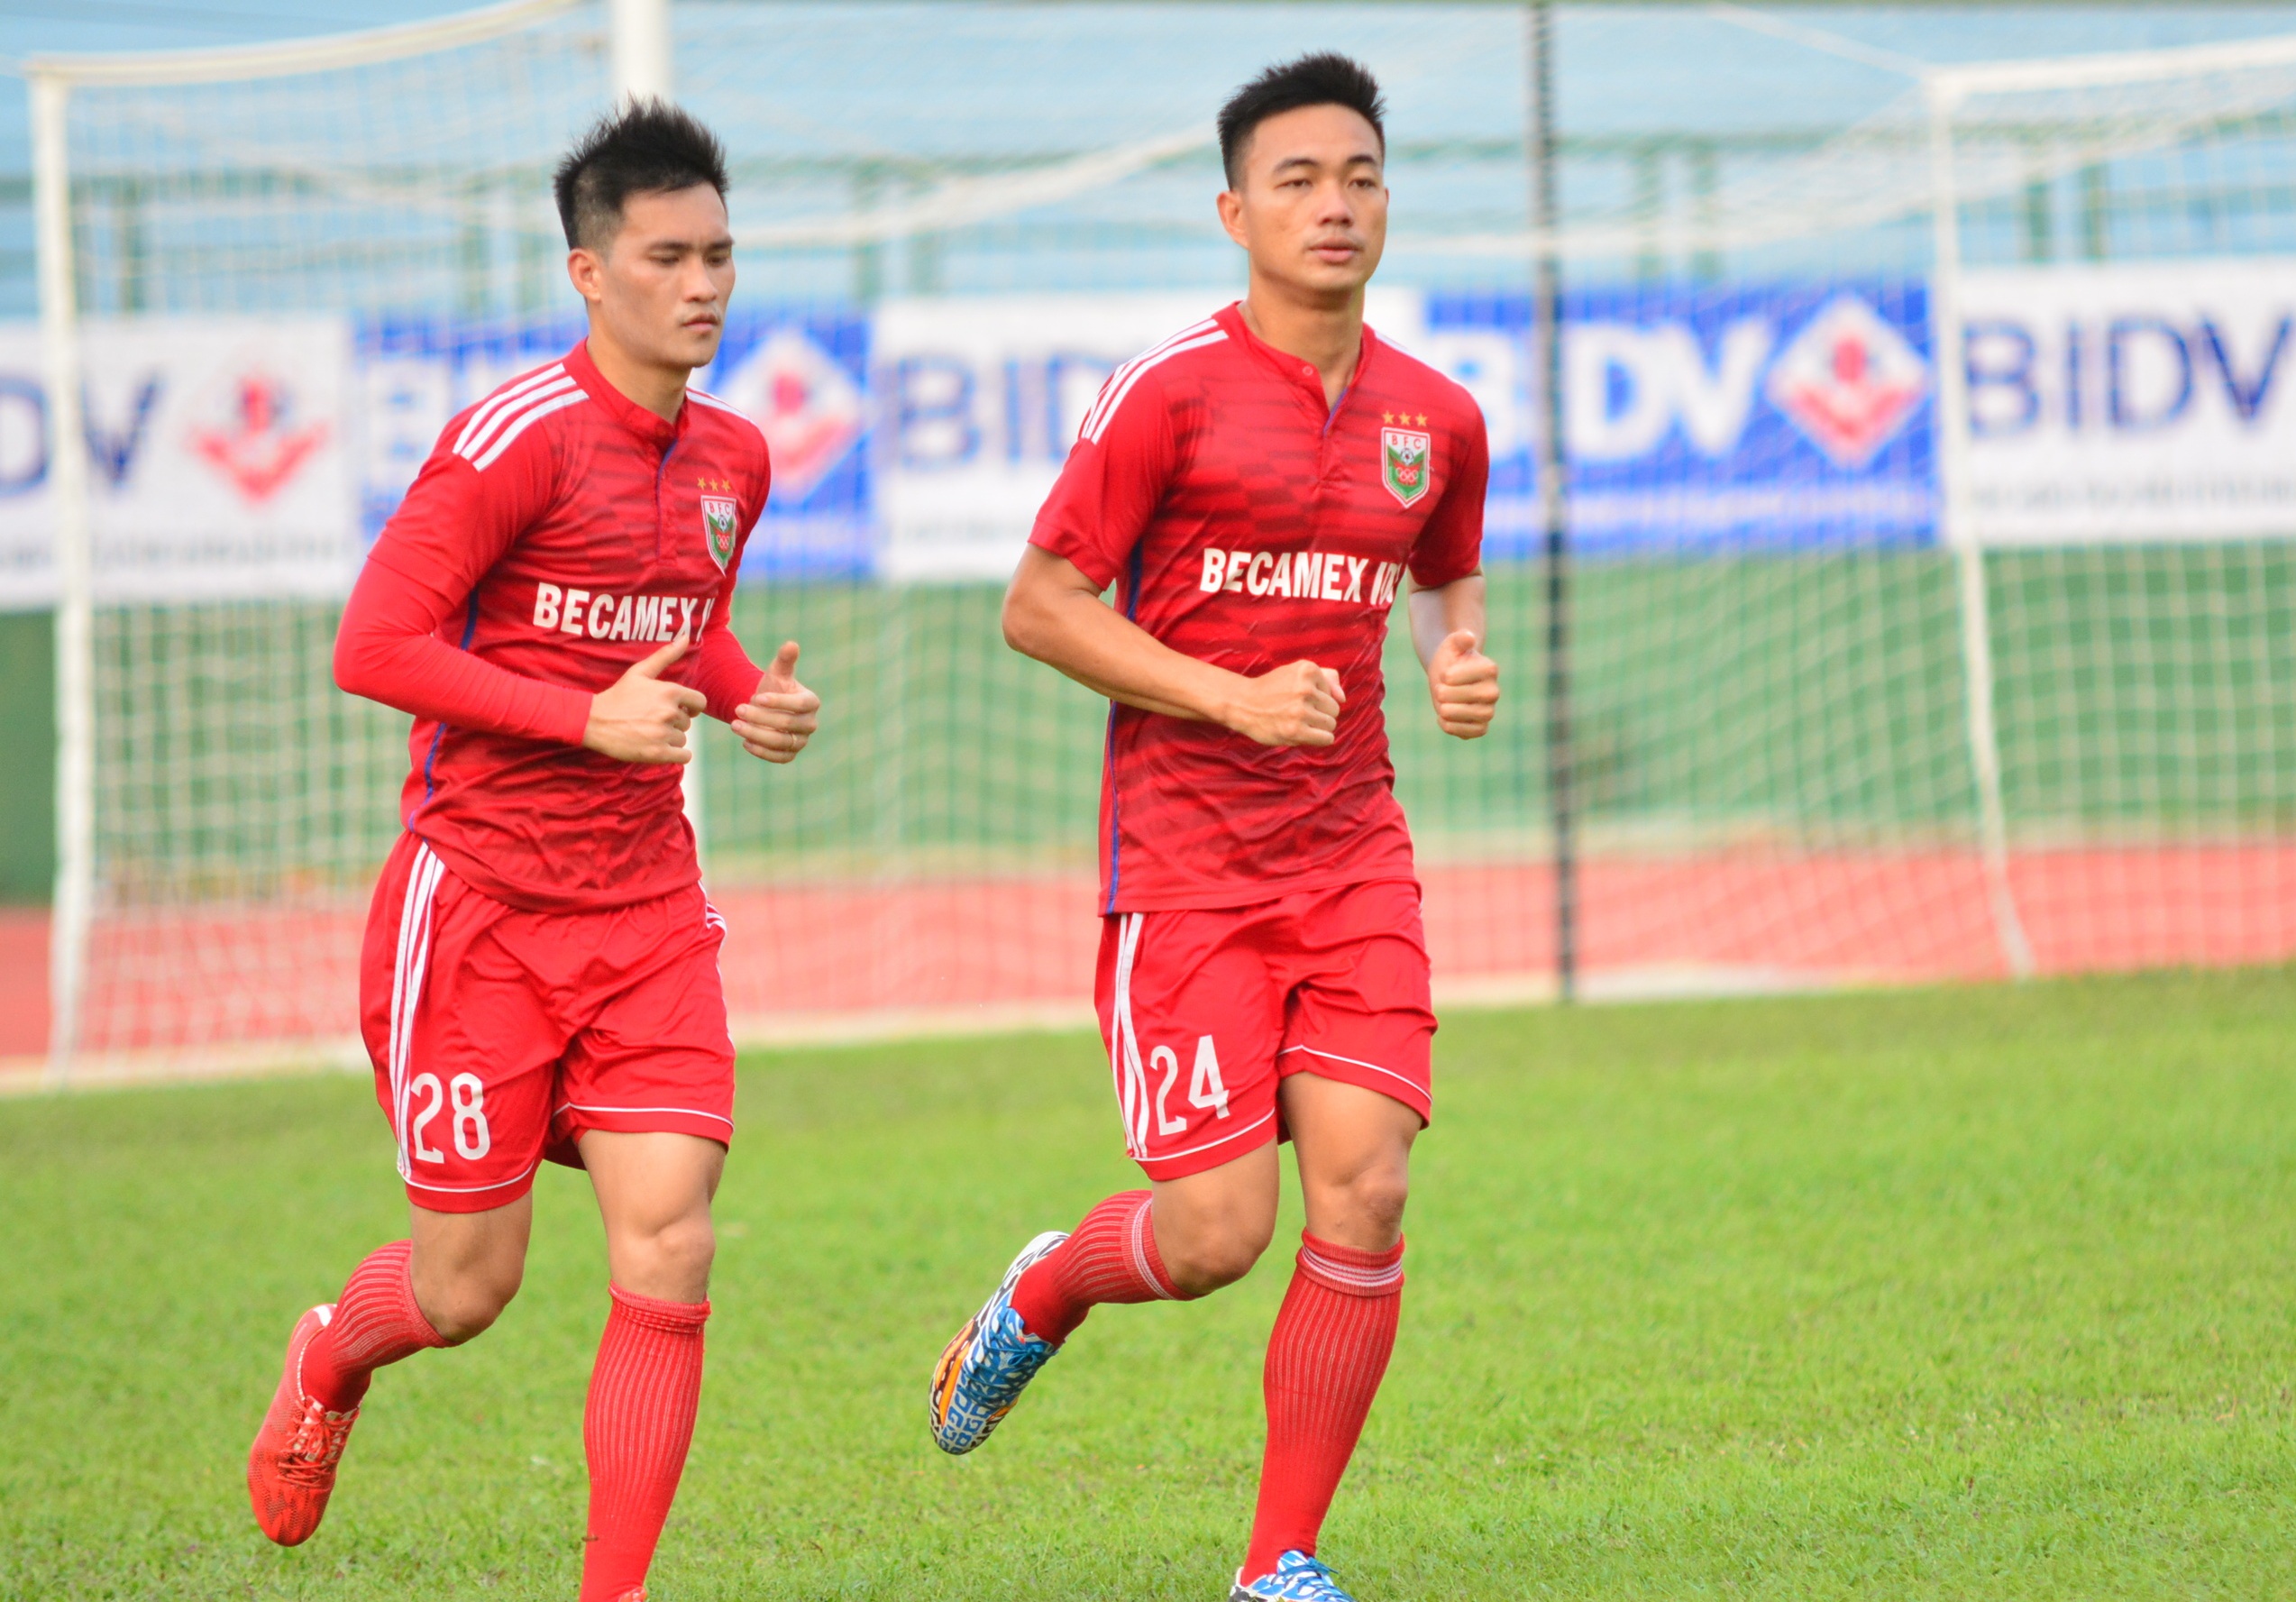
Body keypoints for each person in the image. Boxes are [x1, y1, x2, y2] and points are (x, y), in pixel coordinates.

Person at [926, 52, 1500, 1602]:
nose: (1334, 204)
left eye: (1359, 177)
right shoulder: (1166, 393)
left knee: (1367, 1186)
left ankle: (1277, 1564)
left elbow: (1444, 568)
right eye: (1297, 180)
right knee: (1213, 1234)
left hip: (1352, 852)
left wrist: (1454, 656)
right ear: (1235, 212)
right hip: (1184, 869)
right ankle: (1047, 1286)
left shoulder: (1438, 415)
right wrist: (1228, 698)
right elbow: (1037, 606)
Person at [244, 102, 820, 1602]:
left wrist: (745, 696)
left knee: (670, 1246)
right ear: (588, 271)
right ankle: (330, 1354)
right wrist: (582, 719)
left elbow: (683, 627)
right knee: (465, 1286)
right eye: (667, 257)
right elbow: (373, 644)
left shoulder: (736, 456)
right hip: (482, 911)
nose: (702, 284)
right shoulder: (514, 439)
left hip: (646, 911)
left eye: (719, 255)